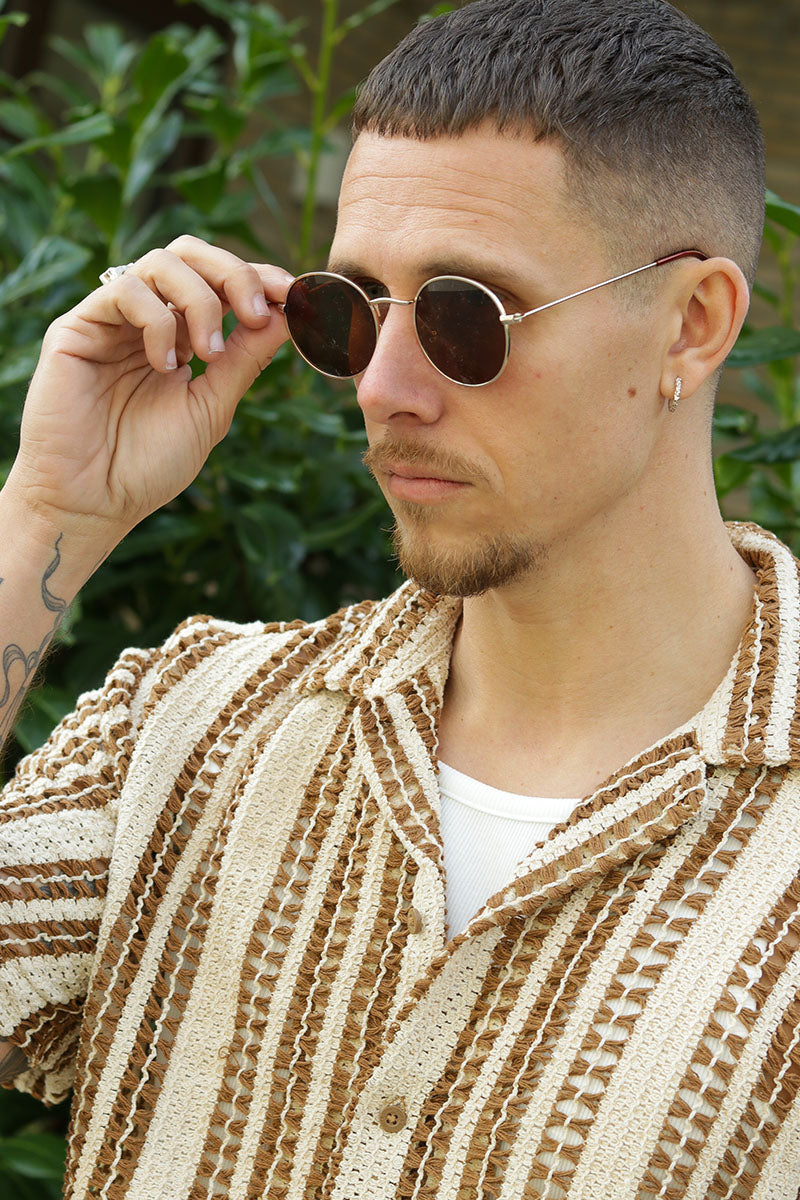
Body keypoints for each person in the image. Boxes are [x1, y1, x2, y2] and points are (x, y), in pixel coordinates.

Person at [1, 0, 798, 1196]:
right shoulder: (189, 725)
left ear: (690, 325)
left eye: (466, 315)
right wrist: (48, 514)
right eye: (351, 307)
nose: (382, 386)